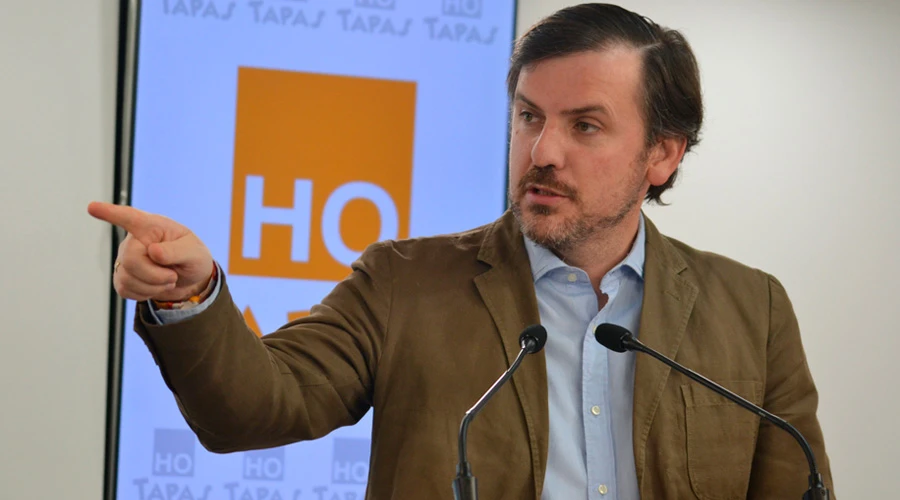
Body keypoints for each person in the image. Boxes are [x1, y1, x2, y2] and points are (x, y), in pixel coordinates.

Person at [88, 3, 834, 499]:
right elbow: (254, 410)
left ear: (663, 155)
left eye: (585, 126)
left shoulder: (753, 310)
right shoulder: (403, 283)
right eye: (529, 117)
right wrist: (189, 297)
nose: (542, 152)